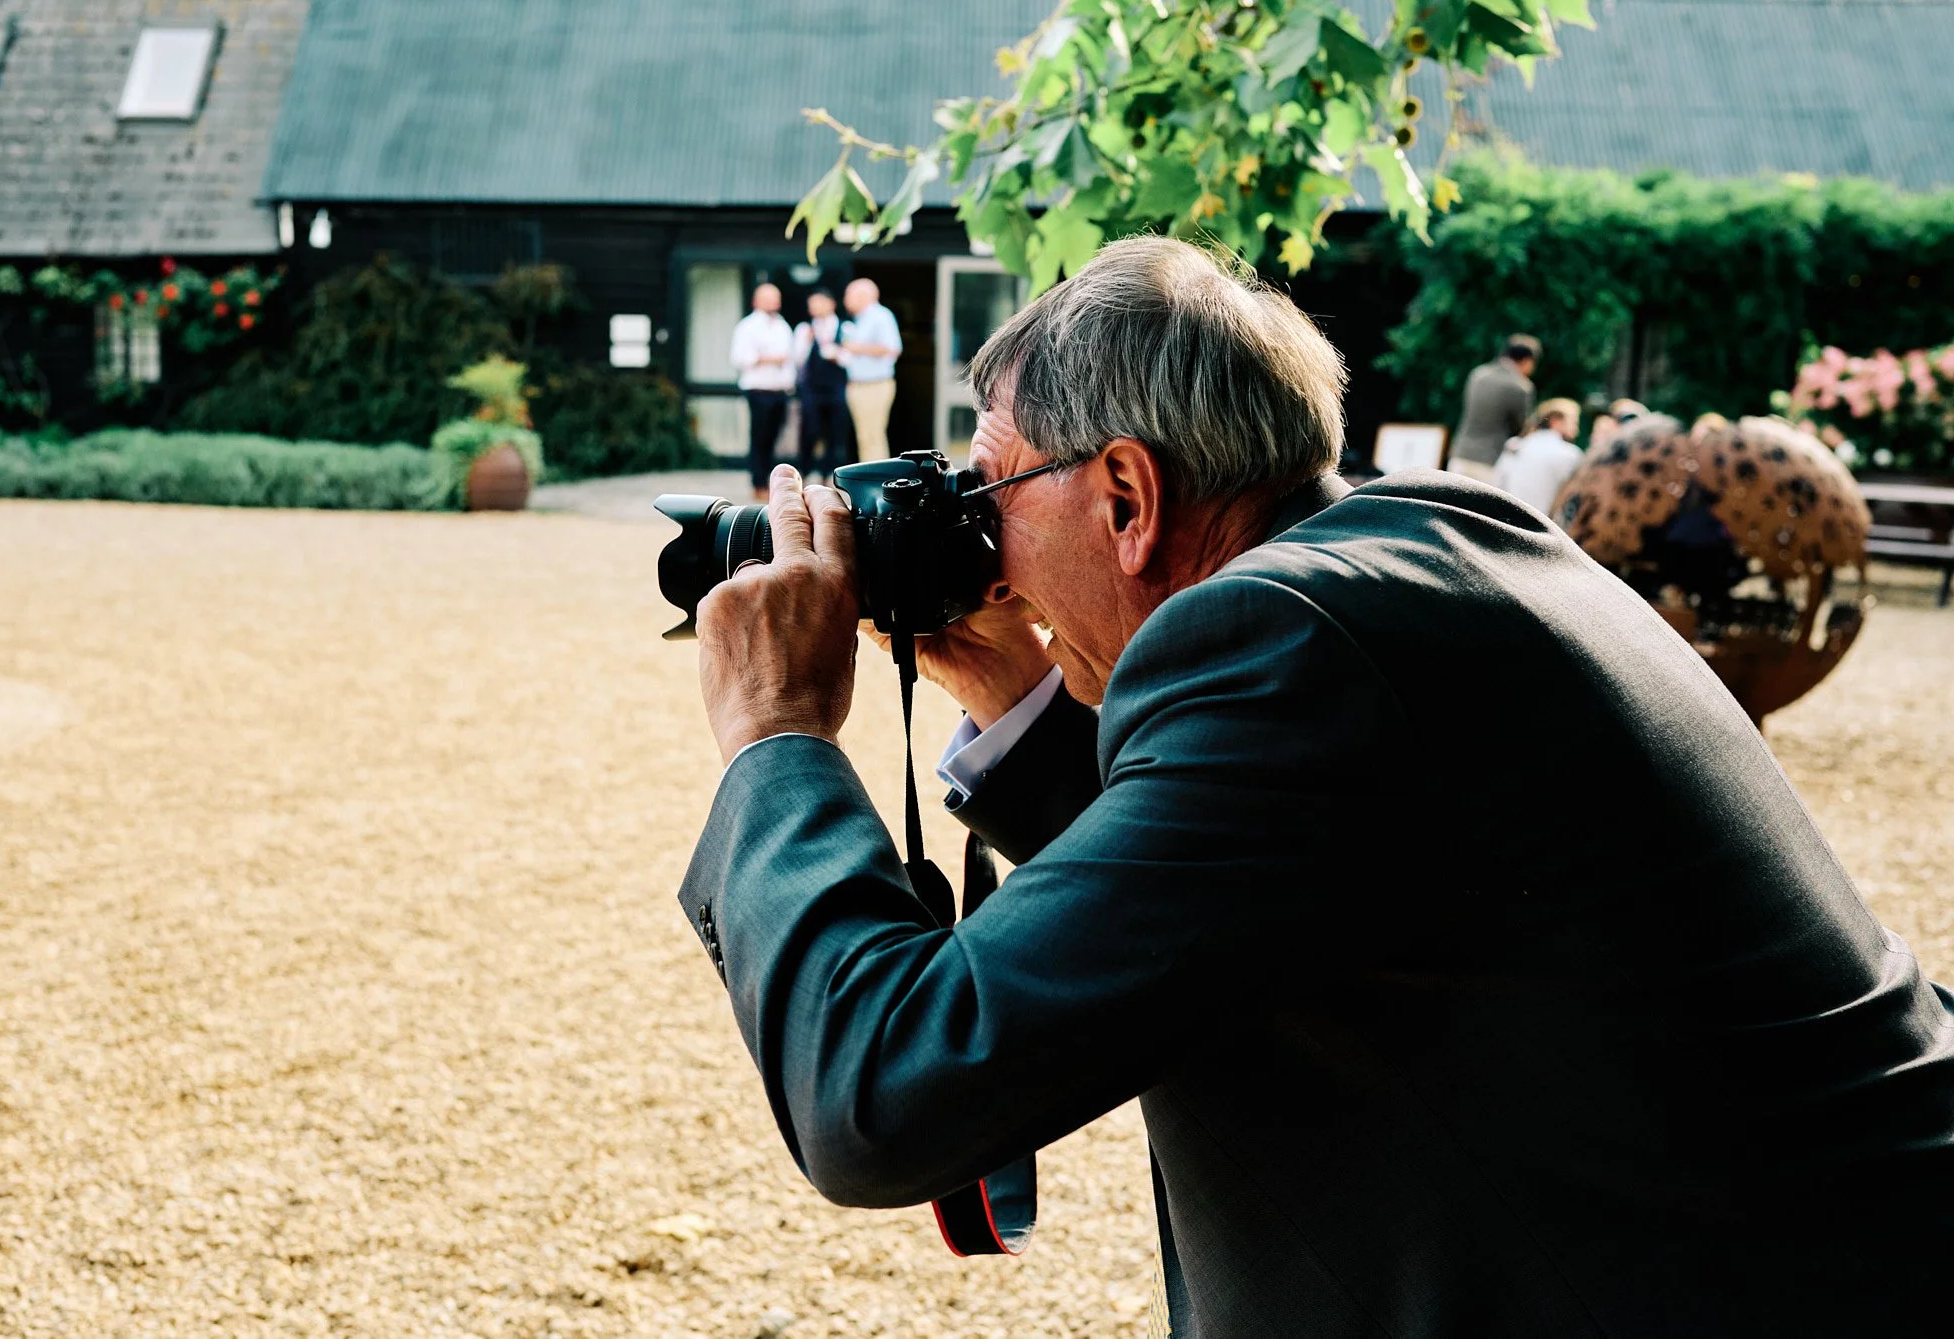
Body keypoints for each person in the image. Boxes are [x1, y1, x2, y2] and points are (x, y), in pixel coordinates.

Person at [679, 238, 1954, 1337]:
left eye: (990, 488)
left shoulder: (1283, 643)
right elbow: (1216, 898)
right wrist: (1016, 695)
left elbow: (885, 1094)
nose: (982, 544)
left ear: (1126, 494)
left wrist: (776, 734)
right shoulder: (1434, 540)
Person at [728, 282, 797, 502]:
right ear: (756, 301)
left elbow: (790, 358)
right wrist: (768, 358)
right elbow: (739, 358)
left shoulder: (782, 326)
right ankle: (758, 483)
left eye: (776, 298)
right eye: (768, 298)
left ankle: (770, 481)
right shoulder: (747, 326)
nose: (773, 302)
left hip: (780, 390)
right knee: (759, 438)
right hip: (758, 390)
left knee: (774, 438)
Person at [1449, 334, 1539, 481]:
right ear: (1527, 360)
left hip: (1460, 454)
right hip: (1489, 461)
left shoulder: (1478, 375)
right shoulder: (1520, 386)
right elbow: (1520, 427)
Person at [793, 289, 853, 481]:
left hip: (835, 387)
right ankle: (805, 471)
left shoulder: (846, 328)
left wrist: (838, 355)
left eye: (818, 303)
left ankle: (829, 474)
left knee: (834, 432)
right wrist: (807, 342)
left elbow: (852, 359)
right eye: (812, 304)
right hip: (812, 388)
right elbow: (797, 359)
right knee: (810, 429)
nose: (815, 308)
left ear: (831, 304)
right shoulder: (804, 329)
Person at [839, 277, 901, 462]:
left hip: (874, 385)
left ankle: (876, 482)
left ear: (863, 295)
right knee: (865, 437)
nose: (846, 299)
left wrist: (855, 347)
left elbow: (892, 349)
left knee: (873, 436)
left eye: (848, 294)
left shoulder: (880, 316)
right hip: (858, 385)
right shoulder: (861, 319)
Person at [1493, 396, 1585, 515]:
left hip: (1504, 513)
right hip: (1539, 521)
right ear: (1555, 421)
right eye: (1574, 422)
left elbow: (1498, 482)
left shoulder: (1515, 444)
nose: (1577, 429)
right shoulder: (1570, 454)